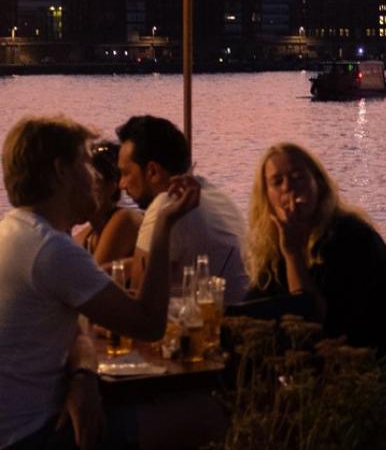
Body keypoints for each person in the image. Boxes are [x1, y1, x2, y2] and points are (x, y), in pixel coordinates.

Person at [1, 116, 200, 450]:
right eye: (86, 165)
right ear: (61, 170)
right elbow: (150, 324)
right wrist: (163, 225)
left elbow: (77, 331)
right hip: (30, 436)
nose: (96, 177)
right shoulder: (50, 249)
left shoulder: (16, 233)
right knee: (207, 414)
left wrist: (83, 376)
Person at [242, 143, 386, 351]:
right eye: (277, 182)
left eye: (298, 177)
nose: (288, 187)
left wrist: (293, 254)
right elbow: (251, 309)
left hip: (376, 362)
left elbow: (316, 324)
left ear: (319, 184)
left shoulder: (352, 238)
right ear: (266, 196)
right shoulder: (274, 244)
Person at [117, 115, 250, 304]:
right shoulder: (215, 195)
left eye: (125, 173)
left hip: (209, 325)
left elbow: (139, 297)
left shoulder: (167, 204)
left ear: (153, 171)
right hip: (242, 313)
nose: (121, 184)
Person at [73, 141, 144, 265]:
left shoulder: (125, 219)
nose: (77, 190)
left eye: (87, 182)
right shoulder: (88, 235)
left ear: (111, 187)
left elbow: (90, 279)